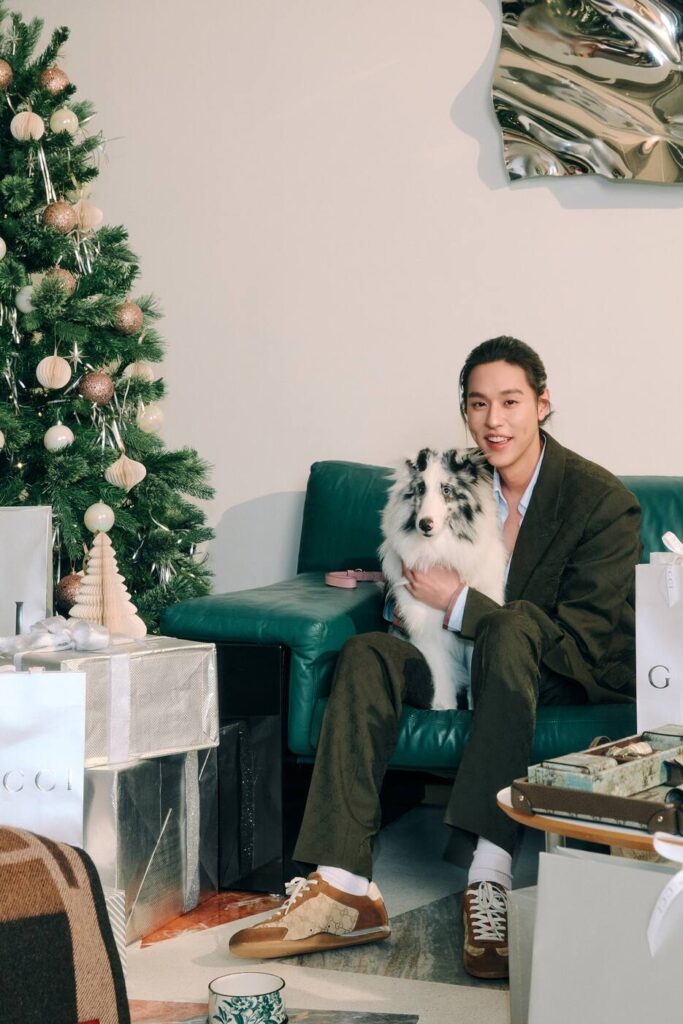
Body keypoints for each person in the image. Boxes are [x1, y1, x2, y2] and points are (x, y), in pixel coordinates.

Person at [230, 336, 641, 978]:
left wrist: (460, 604)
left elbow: (586, 641)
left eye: (510, 401)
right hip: (448, 661)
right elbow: (410, 558)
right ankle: (342, 886)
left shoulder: (600, 500)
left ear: (542, 403)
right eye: (478, 404)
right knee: (367, 653)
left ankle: (490, 875)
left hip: (550, 673)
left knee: (509, 629)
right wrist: (403, 593)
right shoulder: (450, 483)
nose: (493, 420)